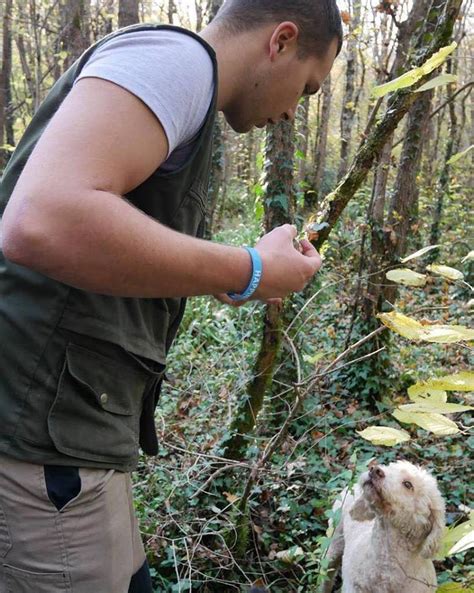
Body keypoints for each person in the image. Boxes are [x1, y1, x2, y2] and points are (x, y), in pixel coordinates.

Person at [0, 0, 342, 591]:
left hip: (71, 435)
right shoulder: (177, 62)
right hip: (39, 440)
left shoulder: (190, 100)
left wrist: (242, 278)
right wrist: (248, 268)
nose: (292, 113)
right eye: (307, 89)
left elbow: (112, 254)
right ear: (281, 41)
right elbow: (41, 219)